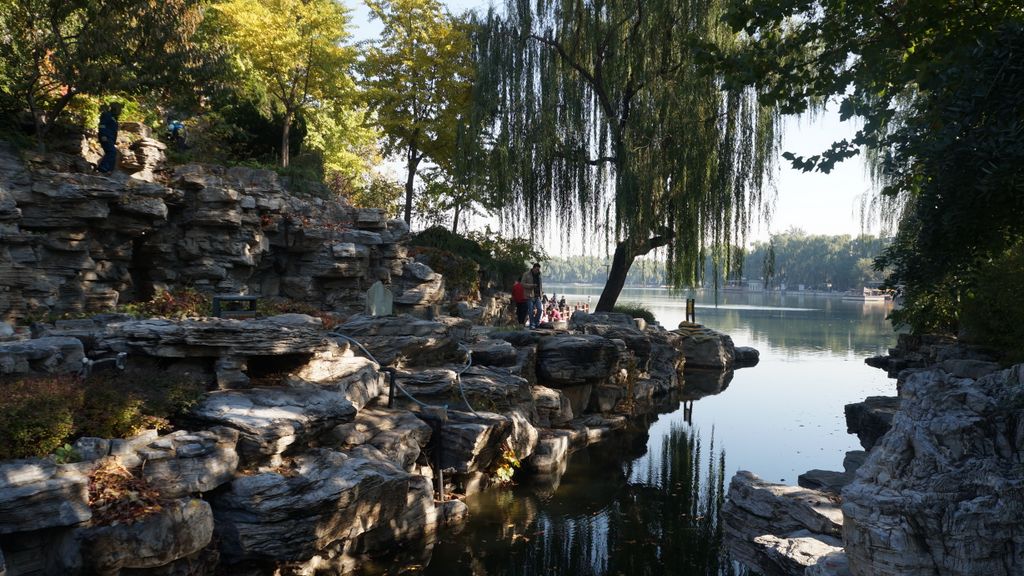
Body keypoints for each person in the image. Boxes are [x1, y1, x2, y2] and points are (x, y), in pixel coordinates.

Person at [97, 102, 123, 174]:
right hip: (106, 137)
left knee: (112, 152)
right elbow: (102, 125)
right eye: (119, 109)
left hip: (110, 138)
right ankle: (102, 168)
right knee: (112, 152)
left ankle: (109, 170)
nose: (120, 111)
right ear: (115, 109)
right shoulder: (107, 115)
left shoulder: (114, 118)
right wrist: (103, 135)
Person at [520, 262, 543, 329]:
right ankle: (532, 324)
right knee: (531, 310)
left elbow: (540, 286)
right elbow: (522, 284)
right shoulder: (526, 274)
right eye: (536, 269)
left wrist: (541, 294)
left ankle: (536, 322)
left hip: (538, 295)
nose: (537, 271)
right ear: (533, 268)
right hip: (529, 295)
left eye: (538, 269)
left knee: (540, 309)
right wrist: (531, 286)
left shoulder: (539, 275)